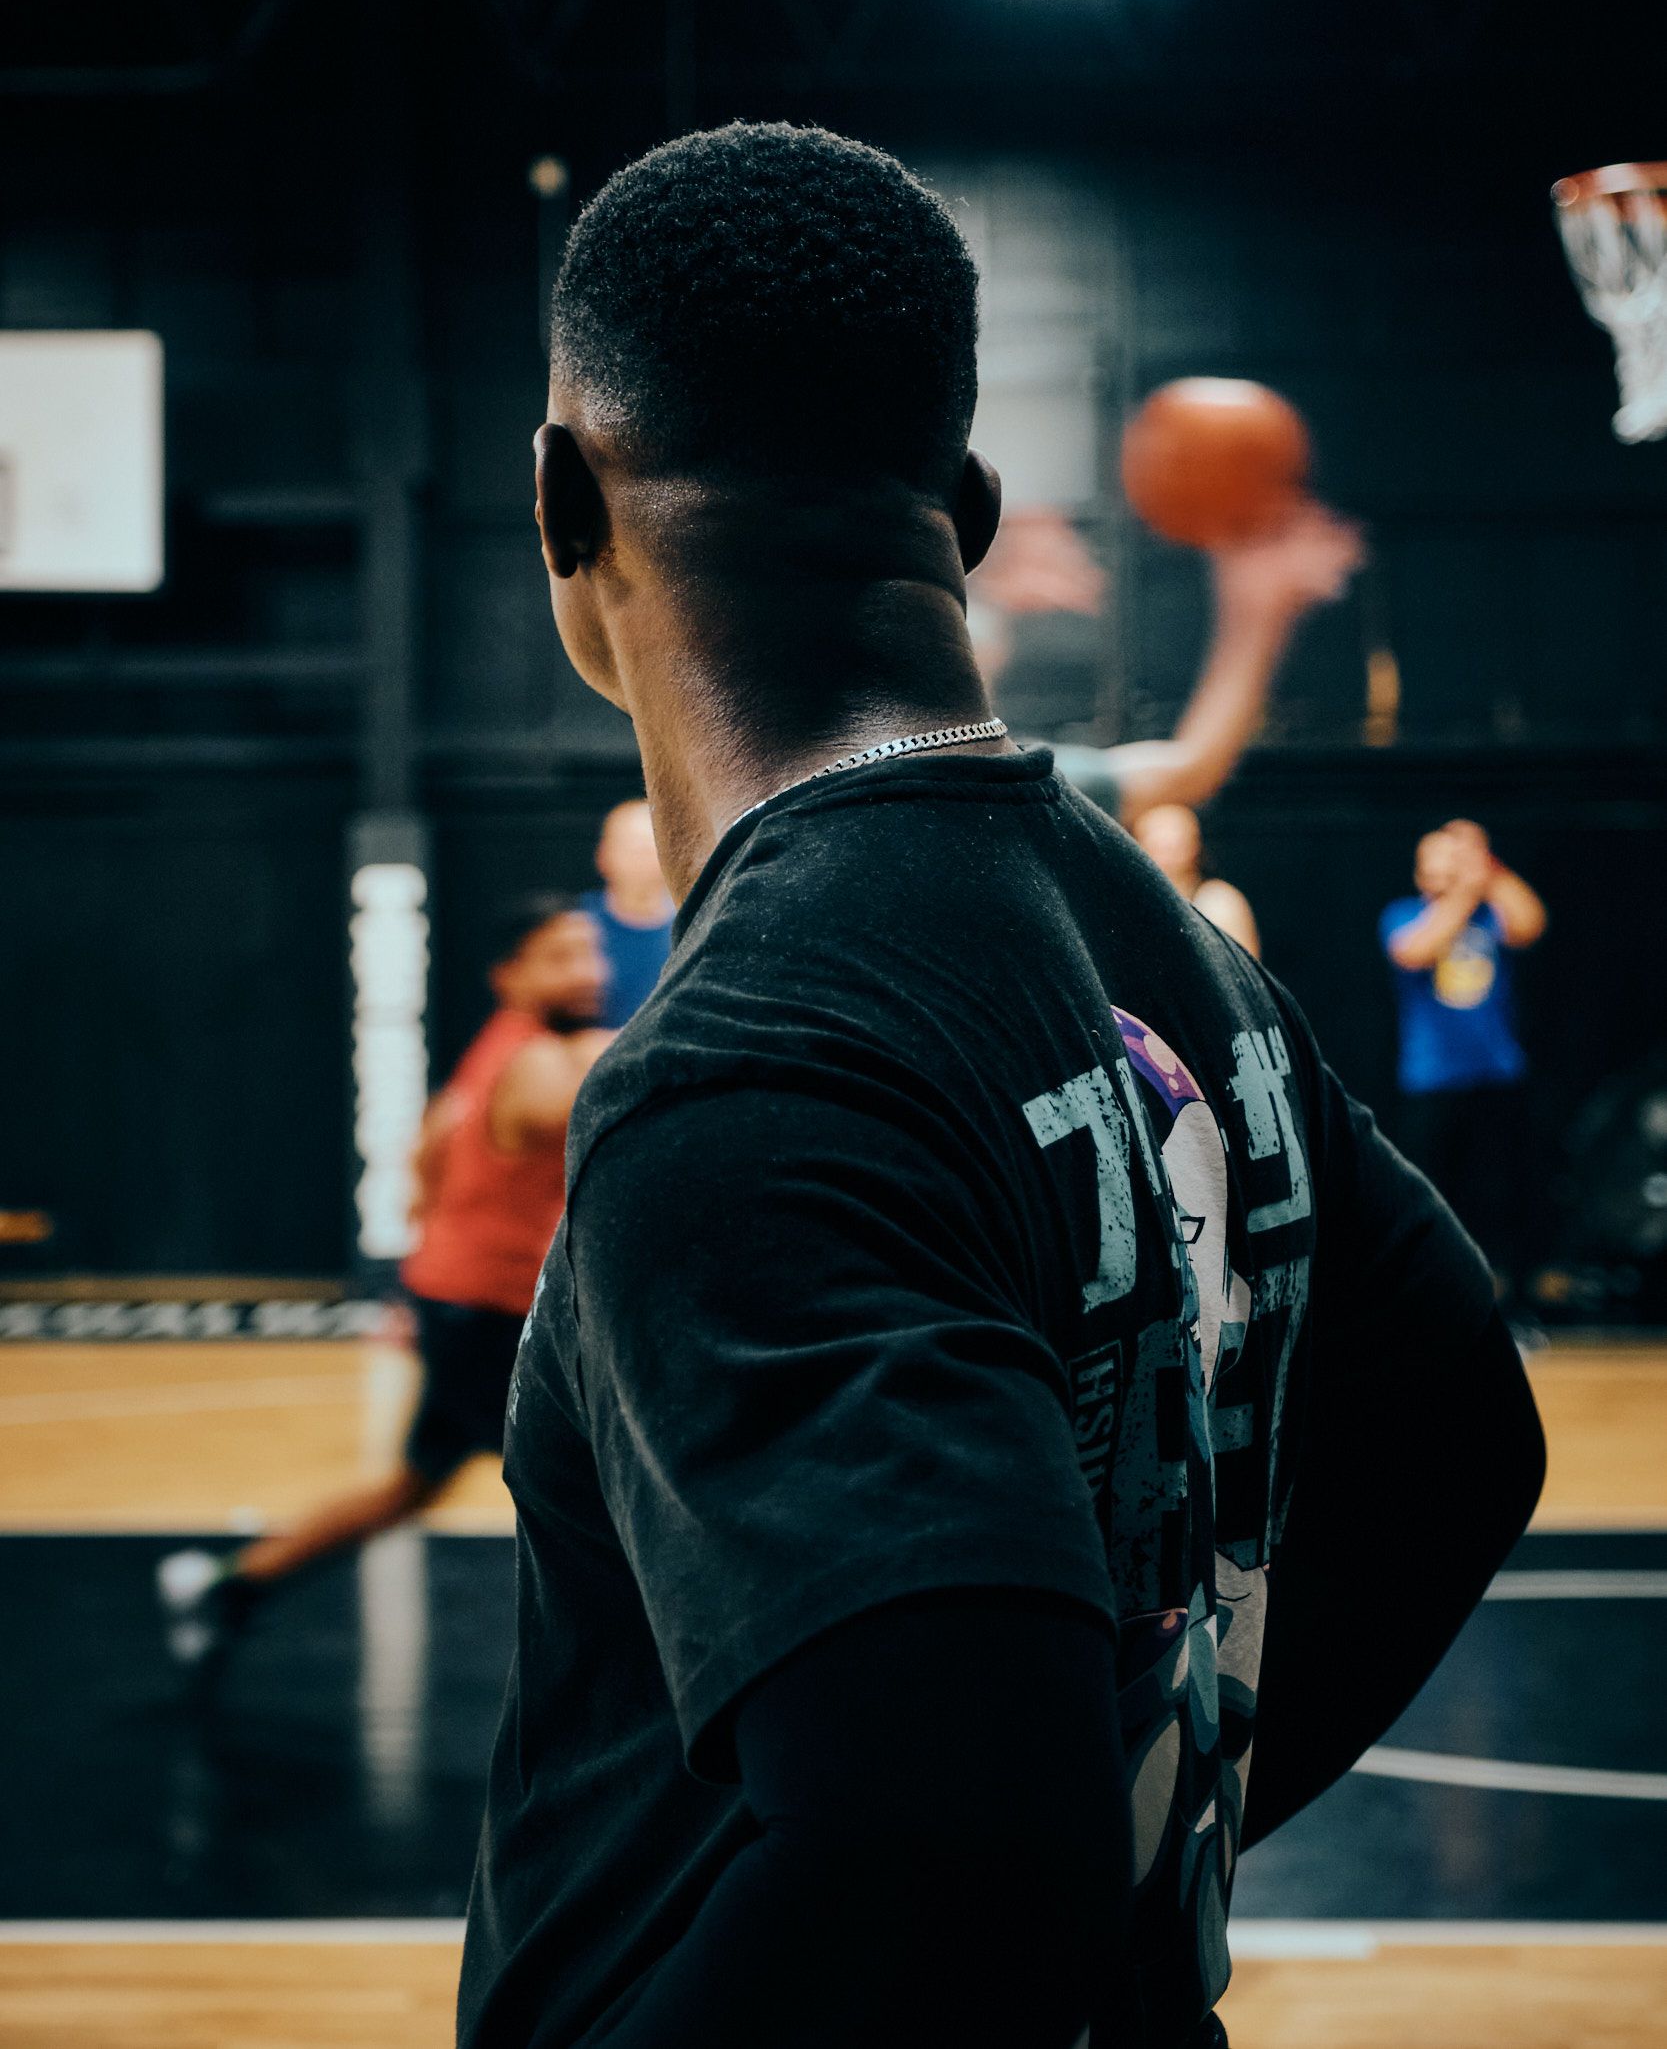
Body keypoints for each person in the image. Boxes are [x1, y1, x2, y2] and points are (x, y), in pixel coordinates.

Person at [461, 125, 1544, 2049]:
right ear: (959, 507)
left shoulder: (743, 1071)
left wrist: (1064, 1850)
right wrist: (1155, 1827)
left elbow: (948, 1844)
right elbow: (1465, 1432)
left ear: (562, 499)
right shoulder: (1163, 939)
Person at [157, 898, 612, 1670]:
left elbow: (428, 1155)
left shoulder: (501, 1049)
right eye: (560, 956)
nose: (588, 971)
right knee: (603, 1488)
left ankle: (231, 1584)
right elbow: (621, 1093)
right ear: (510, 976)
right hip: (489, 1319)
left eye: (590, 951)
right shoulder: (540, 1065)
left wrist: (421, 1275)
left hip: (463, 1304)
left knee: (423, 1483)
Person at [1050, 499, 1363, 828]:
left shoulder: (1010, 777)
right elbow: (1188, 772)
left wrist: (1259, 610)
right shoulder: (1007, 779)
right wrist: (1257, 612)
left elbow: (1186, 771)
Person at [1380, 819, 1549, 1312]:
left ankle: (1513, 1305)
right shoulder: (1403, 915)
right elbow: (1414, 952)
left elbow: (1530, 923)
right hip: (1432, 1080)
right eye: (1437, 862)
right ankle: (1434, 1300)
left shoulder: (1488, 915)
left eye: (1454, 861)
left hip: (1496, 1074)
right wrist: (1463, 892)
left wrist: (1487, 869)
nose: (1448, 871)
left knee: (1503, 1196)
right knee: (1434, 1196)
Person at [582, 797, 675, 1025]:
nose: (643, 857)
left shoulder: (696, 926)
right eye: (633, 847)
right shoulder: (576, 929)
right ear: (603, 855)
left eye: (652, 844)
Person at [1133, 801, 1260, 957]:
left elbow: (1242, 970)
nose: (1166, 857)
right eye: (1156, 845)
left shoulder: (1219, 900)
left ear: (1194, 846)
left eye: (1172, 846)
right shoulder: (1129, 901)